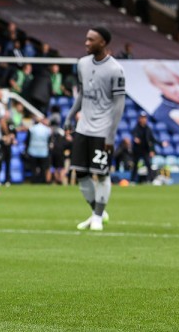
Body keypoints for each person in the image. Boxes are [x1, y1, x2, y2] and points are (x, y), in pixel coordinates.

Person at [64, 26, 125, 231]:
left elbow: (118, 104)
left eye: (91, 40)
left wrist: (111, 135)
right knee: (80, 173)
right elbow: (82, 94)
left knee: (102, 174)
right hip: (83, 128)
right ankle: (96, 211)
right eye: (86, 39)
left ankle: (98, 216)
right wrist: (70, 115)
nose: (86, 43)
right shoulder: (82, 63)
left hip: (102, 130)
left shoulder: (115, 69)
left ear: (103, 43)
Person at [131, 112, 157, 184]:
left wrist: (152, 150)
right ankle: (133, 180)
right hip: (137, 150)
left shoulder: (148, 129)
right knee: (135, 165)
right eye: (142, 118)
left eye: (144, 118)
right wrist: (136, 138)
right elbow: (134, 134)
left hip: (145, 150)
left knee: (148, 165)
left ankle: (151, 180)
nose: (143, 119)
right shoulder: (137, 127)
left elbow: (151, 140)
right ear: (139, 119)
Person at [25, 117, 53, 184]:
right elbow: (49, 141)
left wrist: (26, 149)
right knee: (43, 168)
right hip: (43, 151)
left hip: (33, 150)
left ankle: (34, 180)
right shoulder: (47, 130)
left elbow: (27, 140)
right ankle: (42, 180)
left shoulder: (32, 128)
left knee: (33, 168)